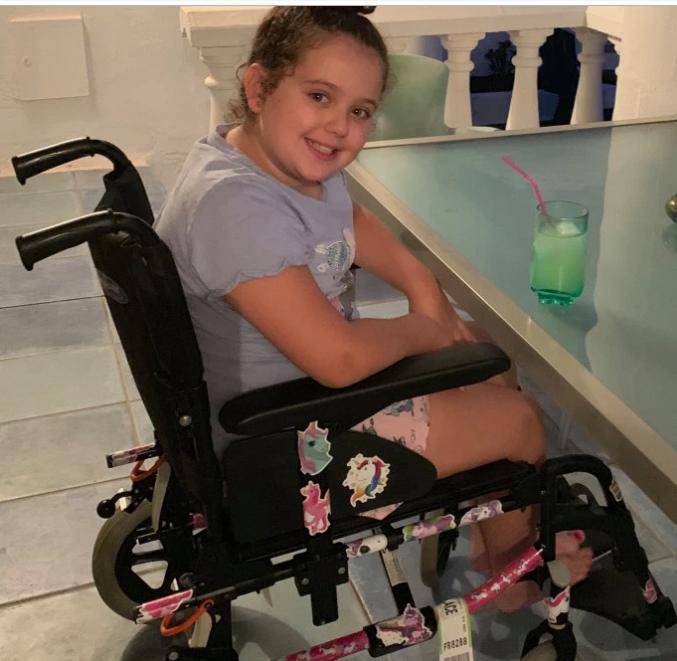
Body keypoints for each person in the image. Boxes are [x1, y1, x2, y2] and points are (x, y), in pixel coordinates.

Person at [156, 6, 591, 612]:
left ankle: (491, 521)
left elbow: (348, 218)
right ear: (258, 88)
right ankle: (512, 581)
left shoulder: (269, 163)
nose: (339, 127)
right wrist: (421, 329)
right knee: (517, 420)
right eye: (319, 96)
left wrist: (422, 285)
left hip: (300, 395)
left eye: (359, 111)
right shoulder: (235, 210)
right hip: (289, 438)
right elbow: (338, 359)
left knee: (489, 358)